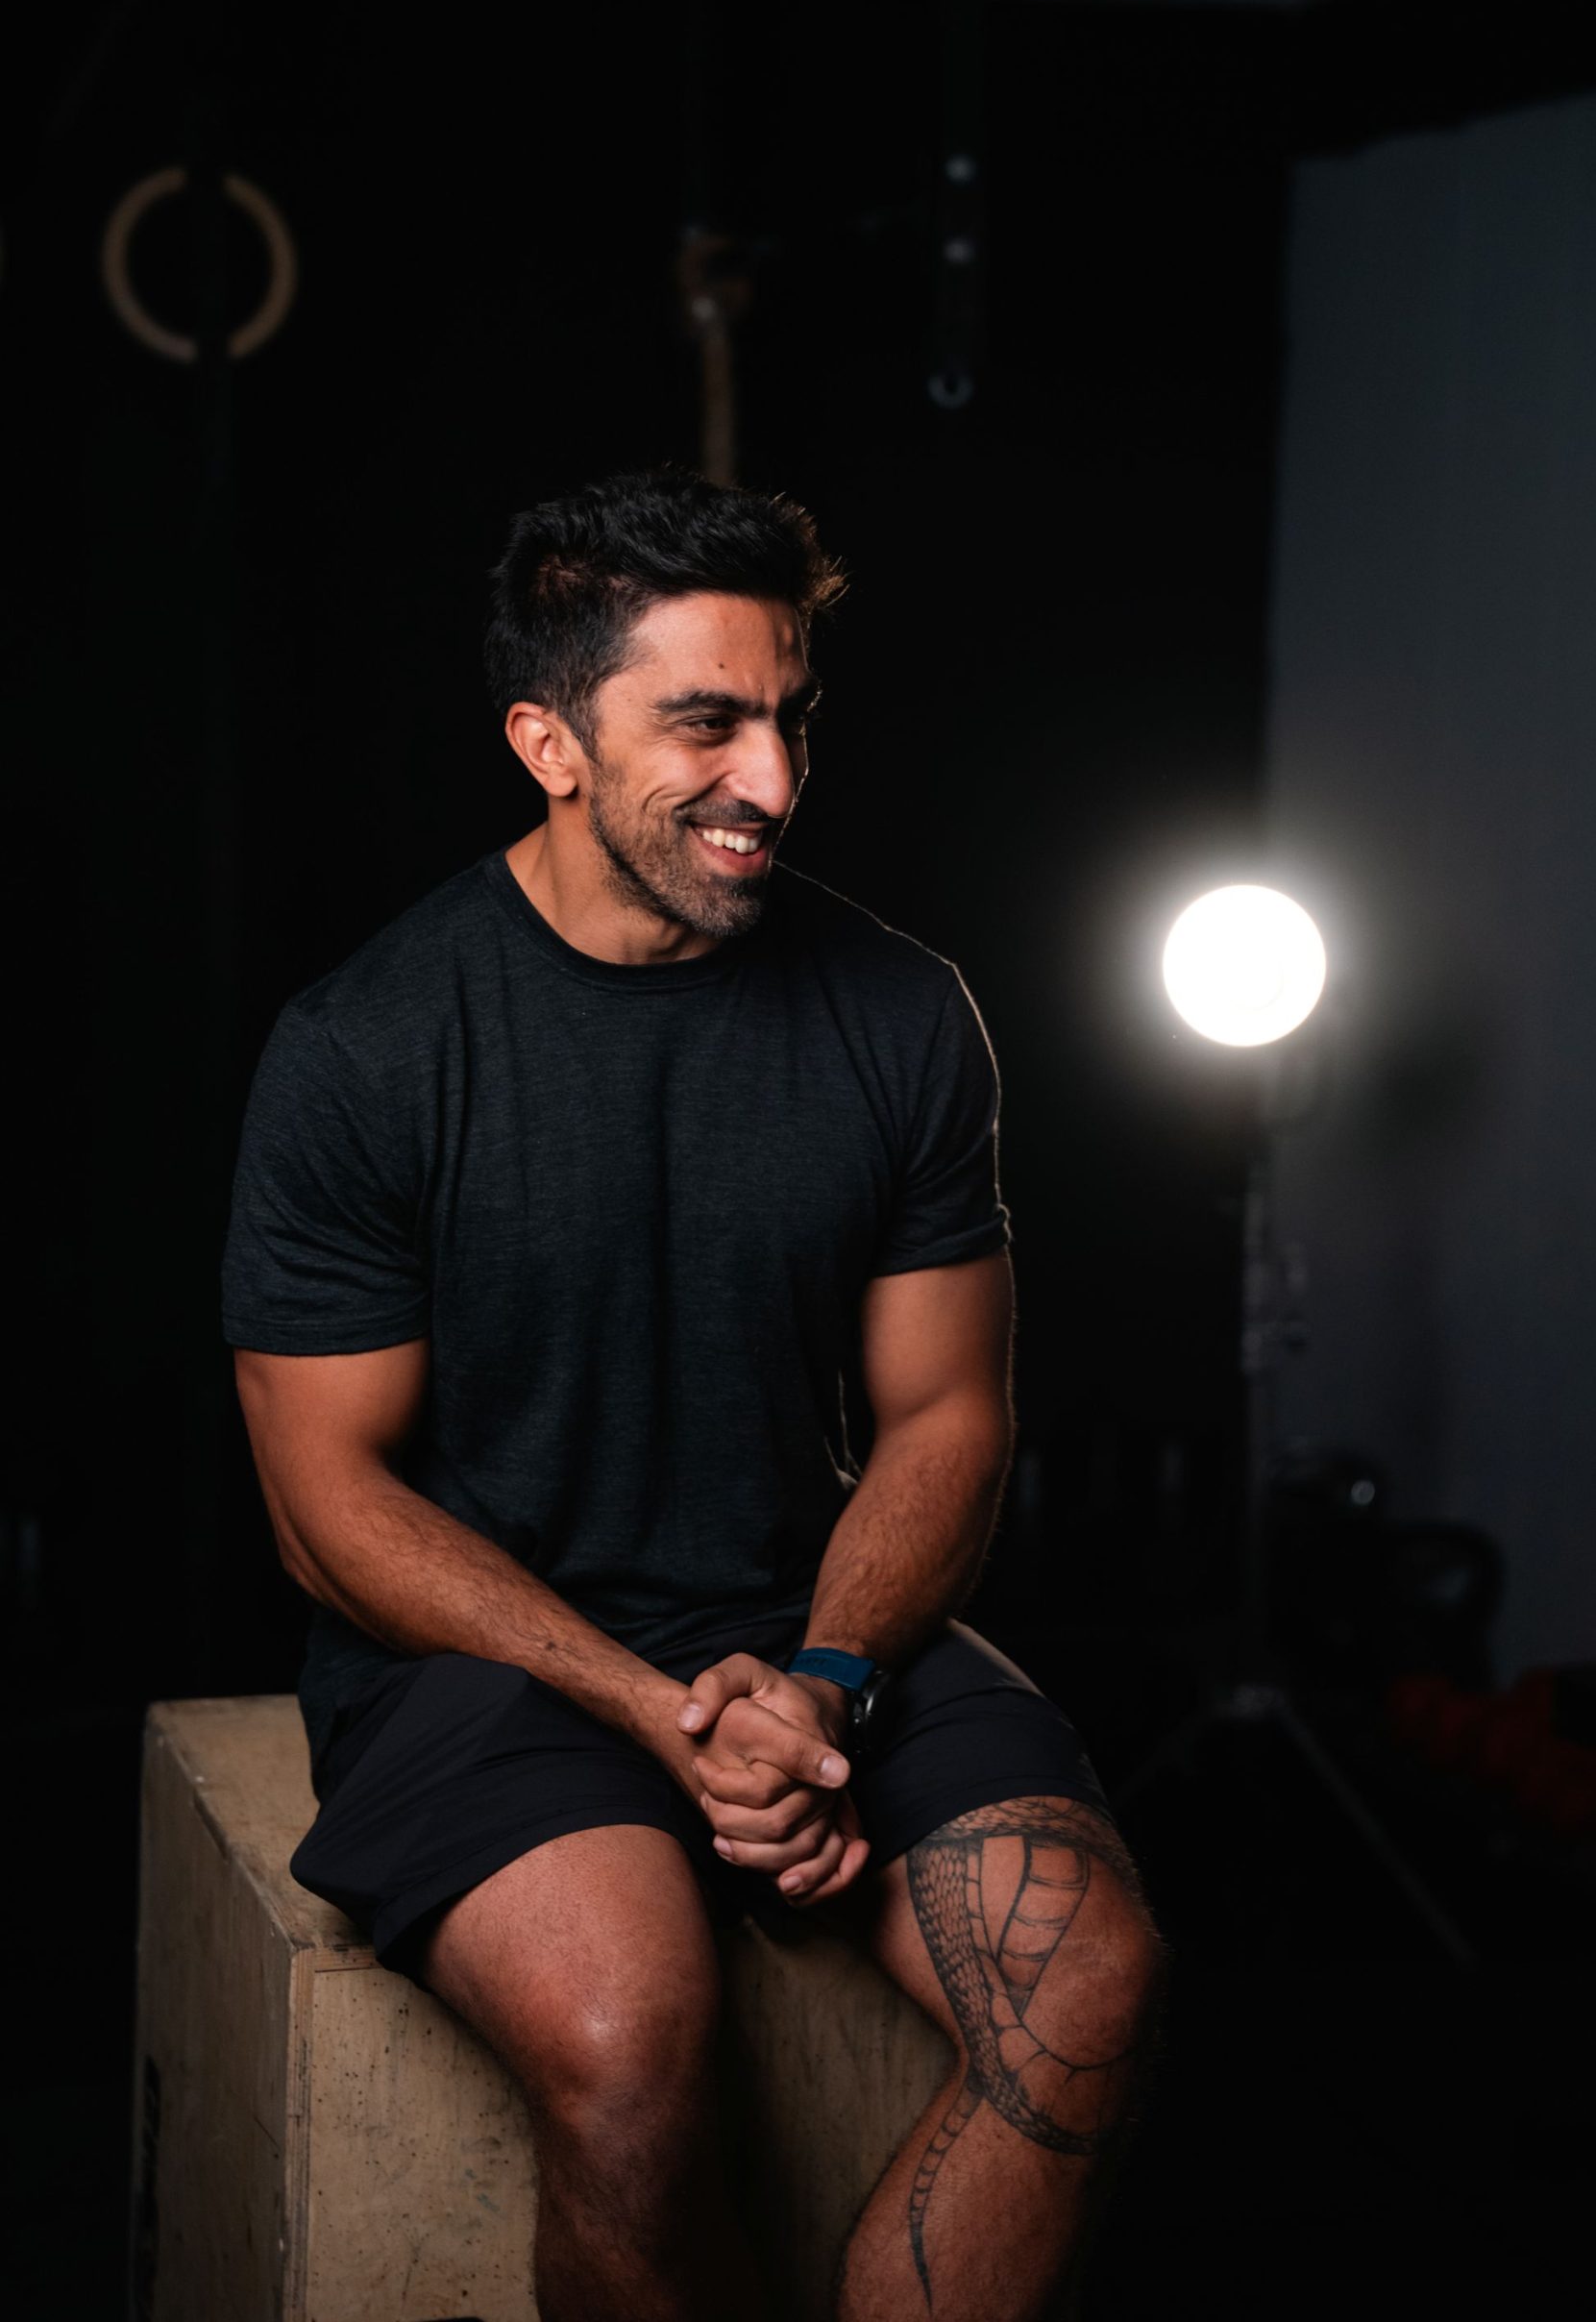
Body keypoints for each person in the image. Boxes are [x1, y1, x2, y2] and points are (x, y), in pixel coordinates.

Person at [223, 467, 1164, 2322]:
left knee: (1090, 1986)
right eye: (708, 723)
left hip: (815, 1623)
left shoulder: (901, 1014)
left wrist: (825, 1680)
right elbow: (327, 1506)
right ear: (549, 745)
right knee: (626, 2048)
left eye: (793, 718)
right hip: (493, 1661)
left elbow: (947, 1419)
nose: (775, 783)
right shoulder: (367, 1047)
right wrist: (657, 1714)